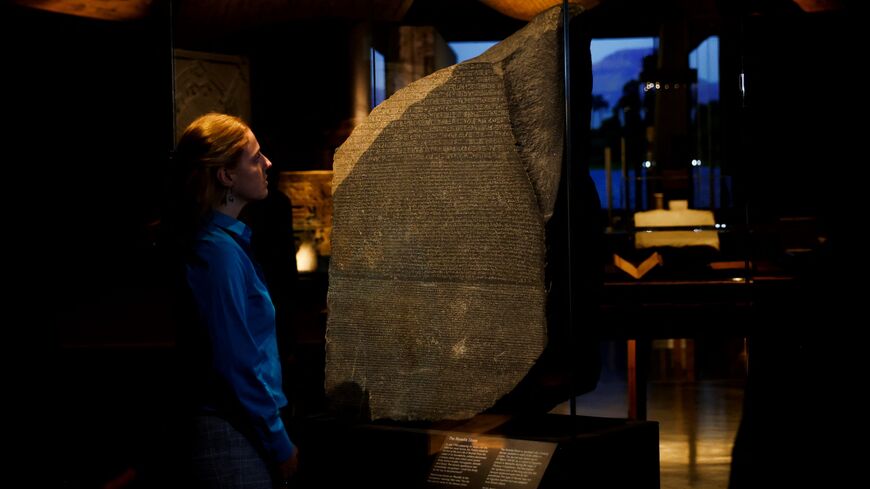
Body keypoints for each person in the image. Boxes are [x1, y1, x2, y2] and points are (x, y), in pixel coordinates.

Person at [166, 113, 298, 488]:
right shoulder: (217, 253)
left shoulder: (224, 244)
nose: (267, 164)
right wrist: (278, 441)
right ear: (226, 176)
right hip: (232, 434)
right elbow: (236, 360)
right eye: (255, 158)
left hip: (239, 427)